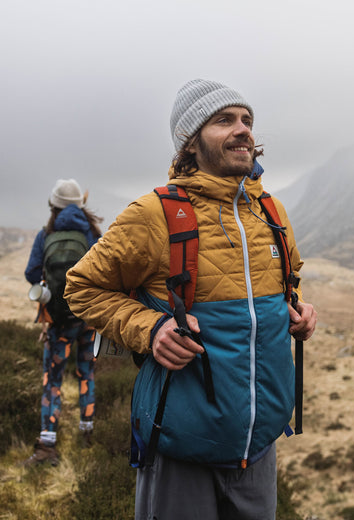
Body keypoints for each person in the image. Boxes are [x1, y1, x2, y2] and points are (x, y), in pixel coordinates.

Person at [64, 79, 317, 519]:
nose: (243, 129)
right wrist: (151, 328)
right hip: (181, 445)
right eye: (224, 120)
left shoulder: (271, 212)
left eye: (247, 120)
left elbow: (286, 288)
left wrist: (297, 311)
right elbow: (82, 288)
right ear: (191, 142)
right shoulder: (153, 214)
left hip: (259, 447)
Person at [24, 179, 102, 466]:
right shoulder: (92, 233)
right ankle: (87, 436)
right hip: (89, 319)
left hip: (57, 320)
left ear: (53, 207)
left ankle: (47, 446)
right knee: (86, 374)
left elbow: (31, 273)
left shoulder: (46, 235)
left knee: (52, 379)